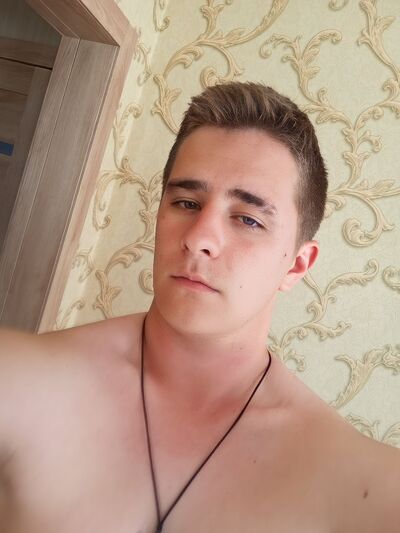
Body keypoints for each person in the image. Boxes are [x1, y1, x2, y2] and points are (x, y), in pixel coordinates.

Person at [0, 81, 399, 533]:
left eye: (248, 219)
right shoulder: (26, 379)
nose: (198, 238)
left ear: (296, 265)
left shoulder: (362, 484)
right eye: (186, 203)